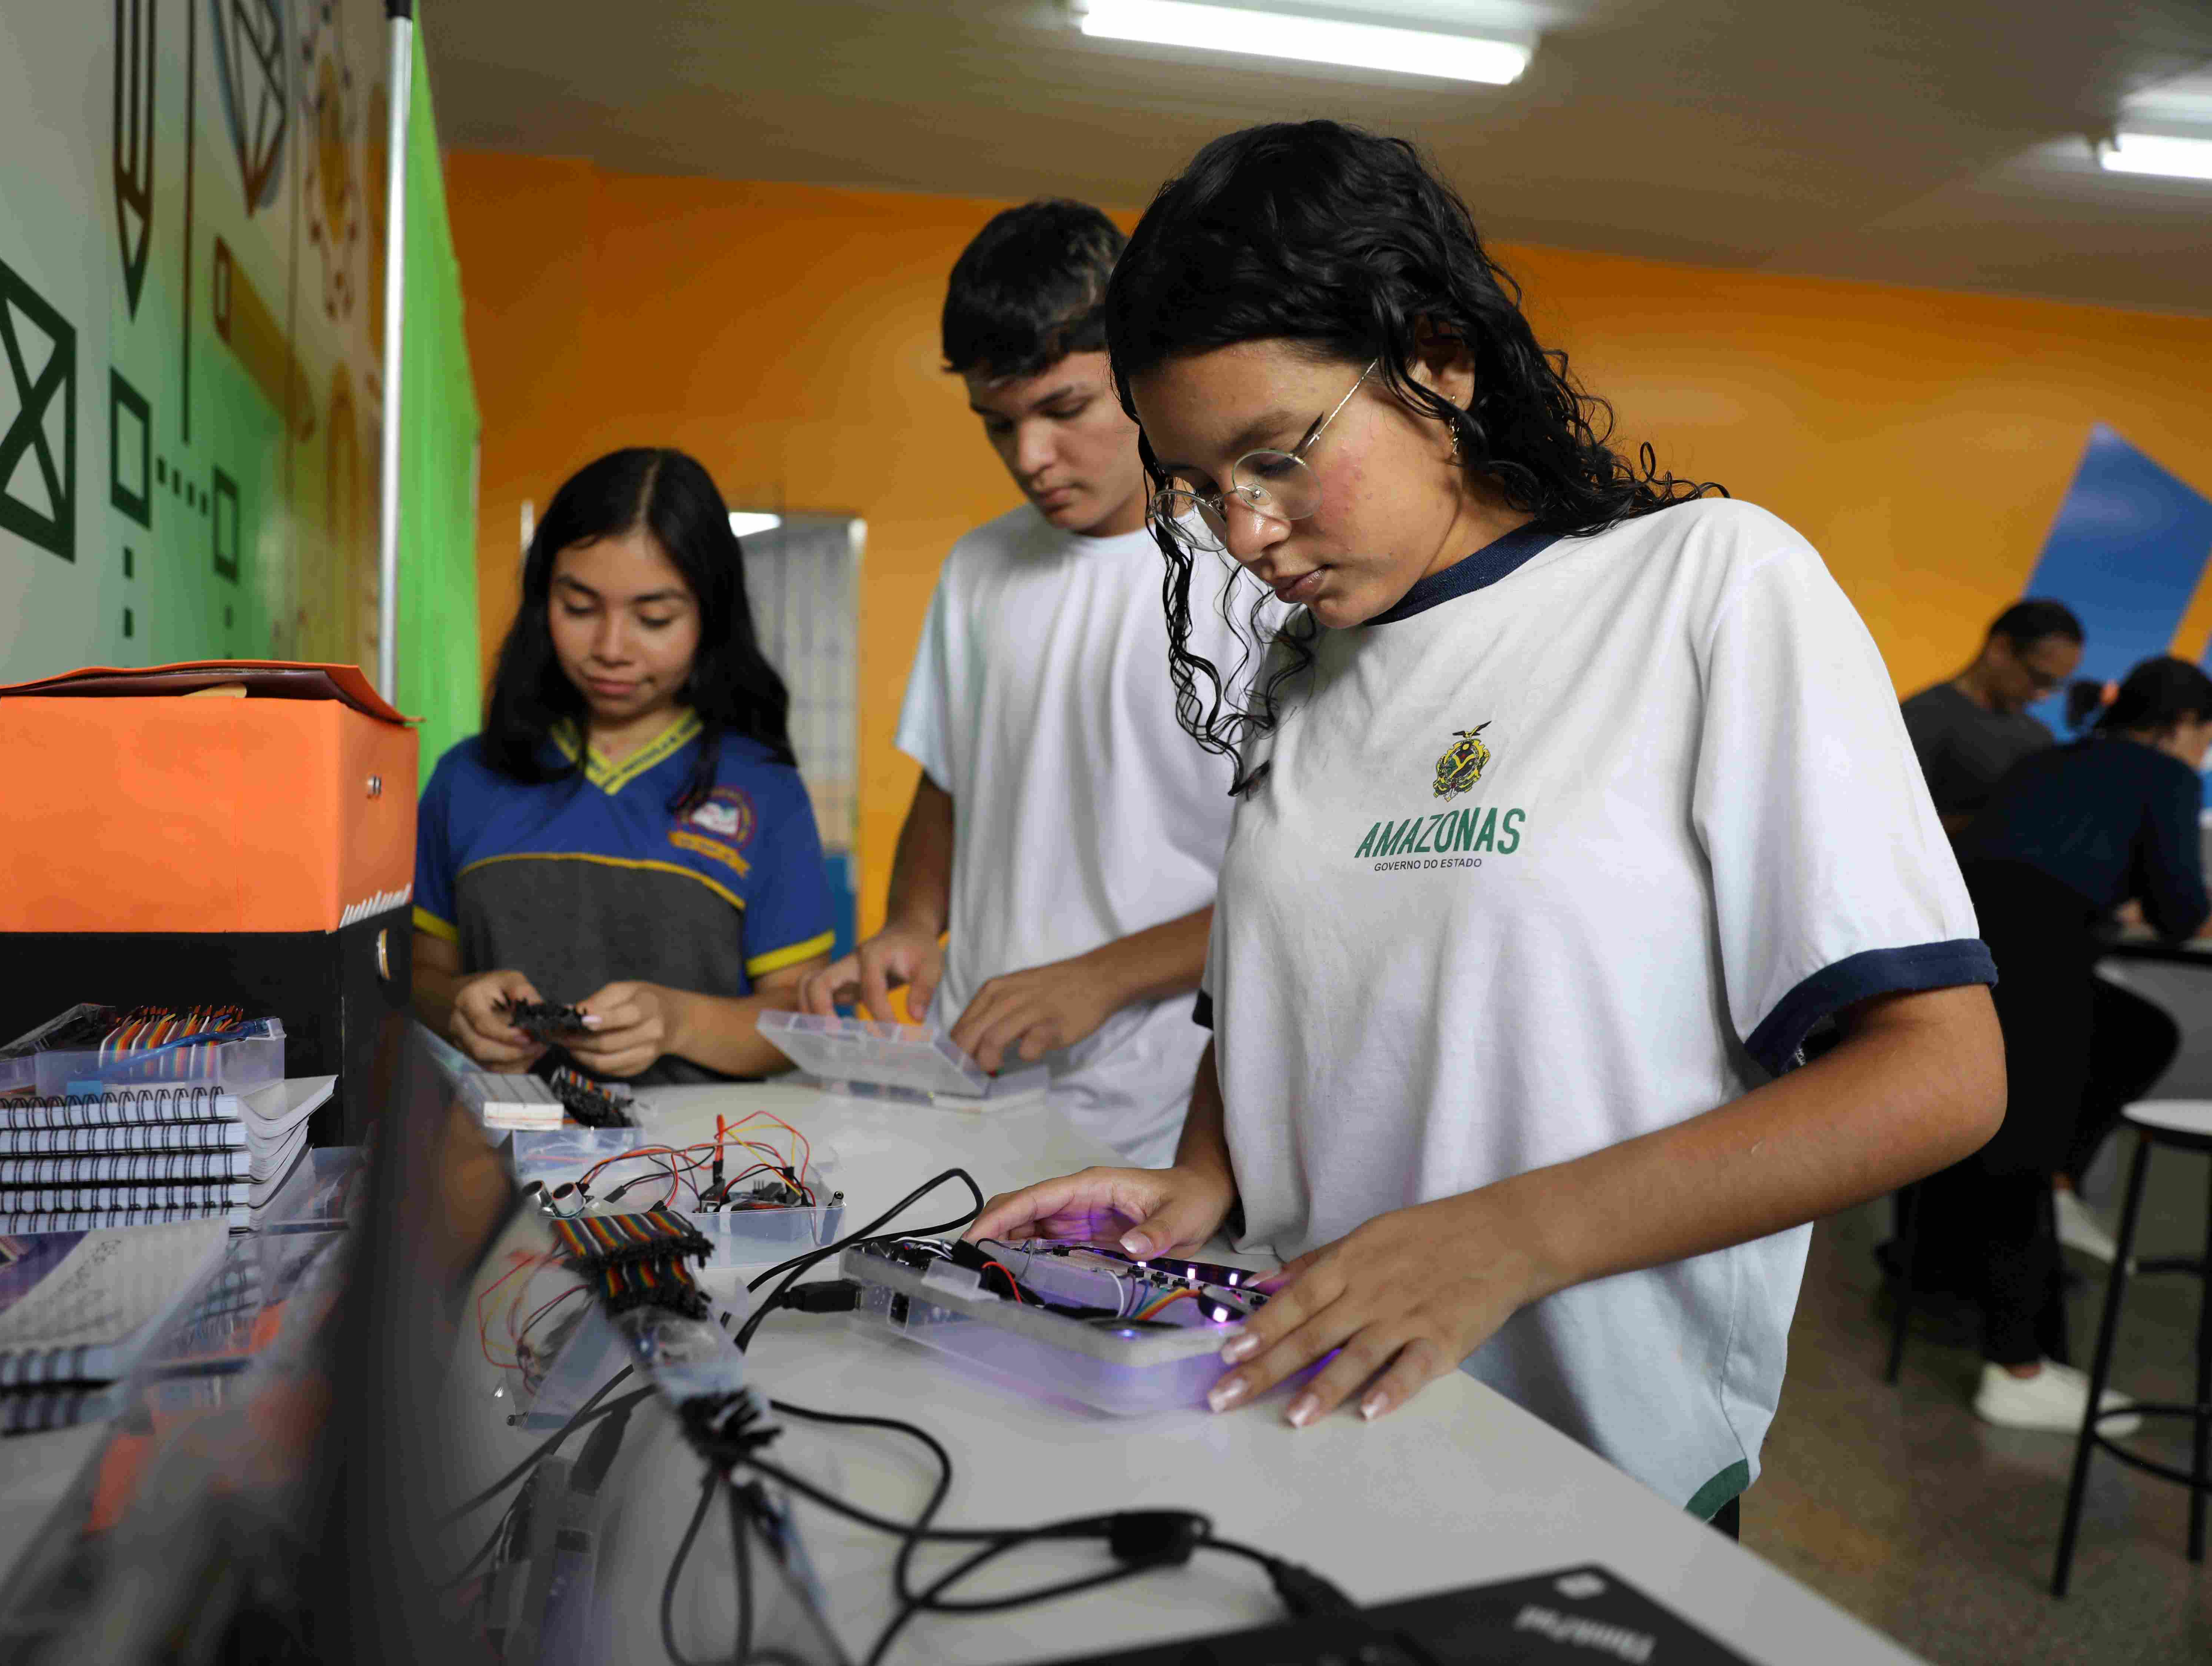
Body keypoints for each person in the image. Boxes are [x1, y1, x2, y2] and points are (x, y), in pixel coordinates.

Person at [969, 122, 2006, 1532]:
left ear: (1438, 360)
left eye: (1274, 457)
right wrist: (1198, 1182)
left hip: (1593, 1467)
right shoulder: (1301, 671)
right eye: (1201, 486)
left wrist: (1508, 1239)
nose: (1244, 532)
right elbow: (1275, 1005)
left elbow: (1938, 1074)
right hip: (1306, 1410)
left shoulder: (1705, 589)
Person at [798, 200, 1246, 1166]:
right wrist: (912, 922)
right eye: (998, 425)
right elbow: (950, 781)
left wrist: (1101, 977)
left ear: (1142, 366)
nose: (1029, 458)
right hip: (973, 1078)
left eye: (1064, 410)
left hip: (1168, 1111)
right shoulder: (978, 567)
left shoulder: (1255, 572)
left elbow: (1303, 880)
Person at [410, 447, 835, 1085]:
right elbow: (417, 975)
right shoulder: (466, 778)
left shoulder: (763, 790)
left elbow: (801, 1019)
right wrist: (457, 1006)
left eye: (654, 618)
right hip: (493, 1135)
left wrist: (678, 1021)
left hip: (699, 1144)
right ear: (541, 600)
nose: (611, 648)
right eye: (579, 608)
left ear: (712, 616)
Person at [1917, 656, 2212, 1430]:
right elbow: (2182, 910)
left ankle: (2059, 1183)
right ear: (2184, 725)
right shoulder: (2167, 775)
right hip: (2038, 948)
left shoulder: (2053, 759)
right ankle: (2017, 1367)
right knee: (2020, 1143)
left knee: (2137, 1030)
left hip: (1962, 943)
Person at [1900, 599, 2085, 835]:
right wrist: (1998, 820)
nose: (2043, 696)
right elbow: (1892, 827)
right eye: (2040, 678)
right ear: (2000, 649)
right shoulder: (1923, 717)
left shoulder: (2040, 738)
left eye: (2056, 685)